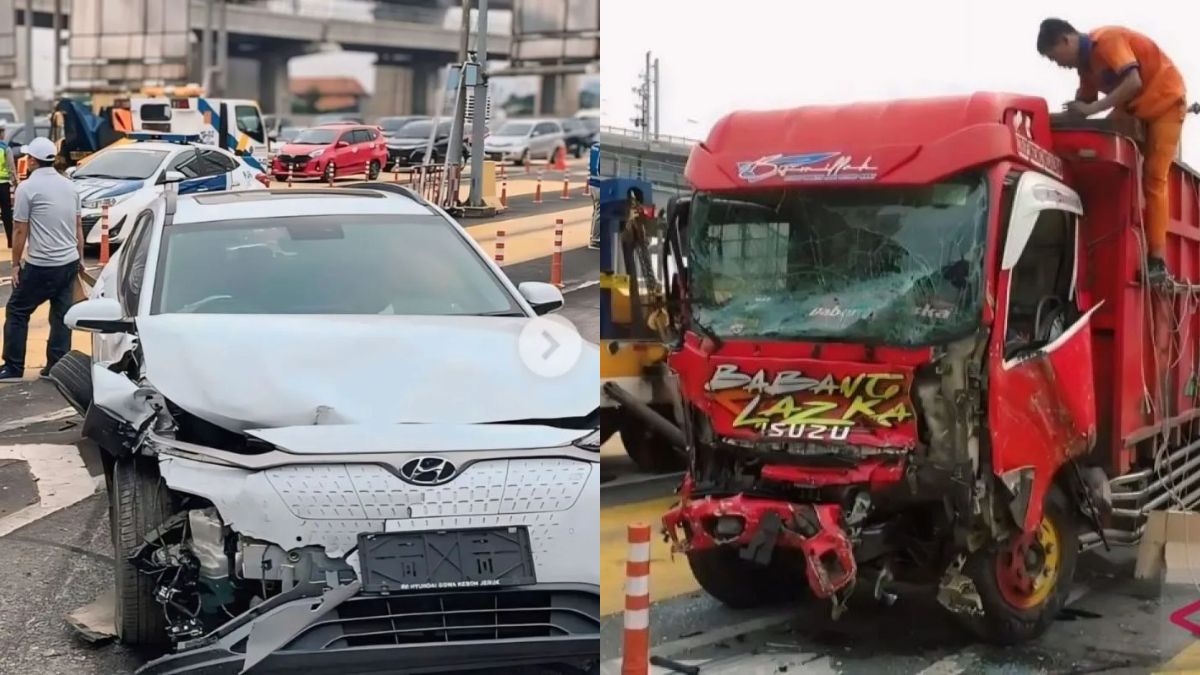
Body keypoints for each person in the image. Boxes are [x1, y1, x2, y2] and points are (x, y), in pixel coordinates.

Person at [1037, 18, 1187, 283]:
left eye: (1054, 56)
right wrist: (1047, 119)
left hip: (1164, 101)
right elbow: (1084, 105)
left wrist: (1091, 110)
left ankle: (1157, 261)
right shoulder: (1085, 69)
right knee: (1108, 154)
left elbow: (1133, 82)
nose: (1056, 64)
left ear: (1066, 40)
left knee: (1154, 177)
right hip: (1134, 108)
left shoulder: (1107, 41)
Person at [0, 137, 83, 380]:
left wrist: (15, 264)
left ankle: (13, 367)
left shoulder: (28, 188)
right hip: (68, 261)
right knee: (61, 313)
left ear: (34, 161)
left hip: (42, 264)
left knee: (17, 310)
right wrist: (79, 259)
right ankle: (56, 368)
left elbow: (19, 230)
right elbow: (77, 226)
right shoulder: (69, 186)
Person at [0, 127, 16, 247]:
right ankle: (10, 240)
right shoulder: (6, 148)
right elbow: (11, 167)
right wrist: (15, 182)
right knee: (6, 213)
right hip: (3, 185)